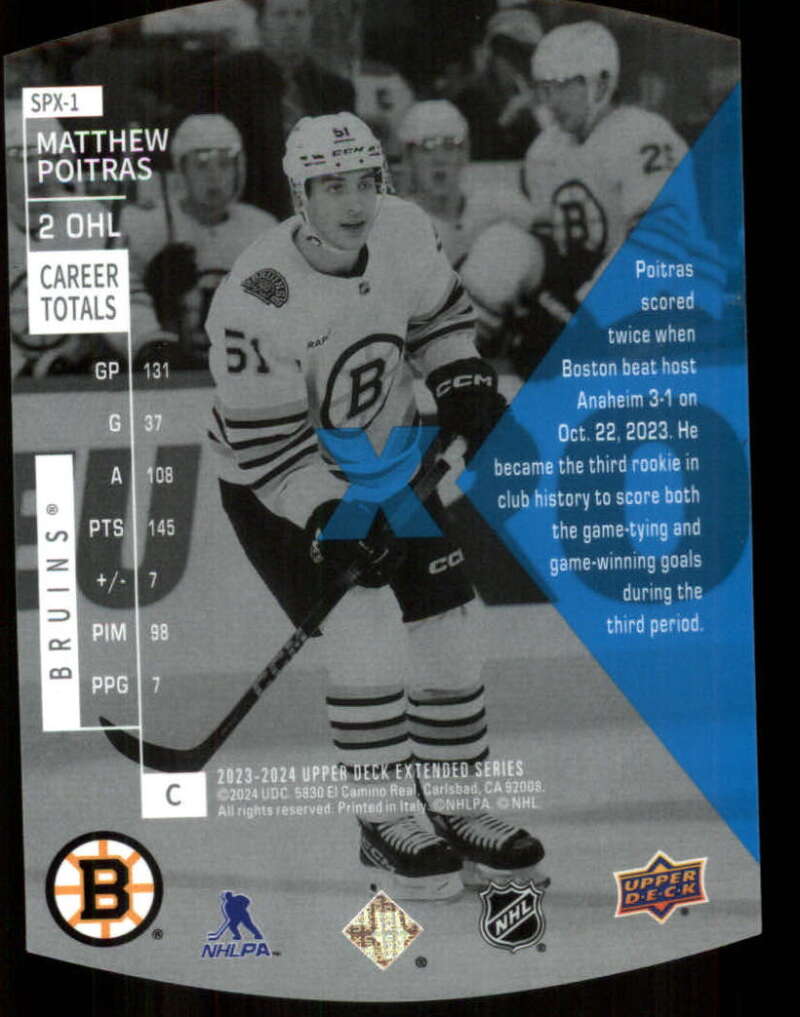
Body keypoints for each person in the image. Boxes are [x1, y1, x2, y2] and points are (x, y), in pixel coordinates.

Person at [205, 112, 545, 900]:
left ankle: (458, 806)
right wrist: (330, 516)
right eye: (332, 187)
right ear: (300, 195)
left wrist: (461, 381)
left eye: (366, 181)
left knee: (448, 623)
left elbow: (439, 319)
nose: (355, 202)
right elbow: (272, 453)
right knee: (364, 624)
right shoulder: (256, 297)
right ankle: (385, 821)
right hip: (275, 481)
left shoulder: (402, 228)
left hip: (382, 460)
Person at [513, 20, 716, 374]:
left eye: (563, 85)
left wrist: (590, 316)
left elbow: (660, 244)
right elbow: (554, 251)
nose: (552, 101)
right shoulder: (544, 151)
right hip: (594, 296)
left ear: (601, 83)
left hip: (668, 296)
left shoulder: (643, 134)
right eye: (545, 87)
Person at [116, 114, 277, 367]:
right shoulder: (143, 226)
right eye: (201, 166)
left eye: (224, 164)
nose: (214, 177)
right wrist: (150, 335)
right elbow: (120, 300)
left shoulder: (263, 229)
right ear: (182, 170)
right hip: (174, 373)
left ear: (239, 169)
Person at [396, 99, 542, 357]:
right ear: (408, 158)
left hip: (503, 348)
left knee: (506, 241)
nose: (439, 159)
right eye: (426, 148)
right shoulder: (396, 225)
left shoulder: (497, 203)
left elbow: (550, 251)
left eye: (449, 146)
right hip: (424, 358)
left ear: (465, 153)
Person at [212, 0, 356, 219]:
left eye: (300, 14)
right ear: (261, 25)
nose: (291, 24)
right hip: (250, 219)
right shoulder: (227, 80)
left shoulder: (336, 90)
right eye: (281, 15)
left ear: (311, 22)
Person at [453, 6, 543, 161]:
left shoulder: (538, 97)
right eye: (507, 54)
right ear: (491, 56)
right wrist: (506, 119)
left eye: (524, 56)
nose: (515, 65)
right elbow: (474, 154)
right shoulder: (470, 98)